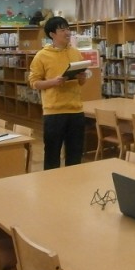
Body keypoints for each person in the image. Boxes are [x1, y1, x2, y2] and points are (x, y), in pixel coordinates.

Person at [29, 16, 87, 169]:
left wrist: (82, 78)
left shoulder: (76, 53)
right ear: (52, 34)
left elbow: (81, 83)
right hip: (54, 112)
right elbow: (34, 83)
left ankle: (73, 181)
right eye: (62, 30)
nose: (67, 32)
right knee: (52, 155)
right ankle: (51, 183)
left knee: (75, 154)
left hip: (76, 110)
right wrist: (53, 82)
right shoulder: (41, 56)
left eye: (68, 29)